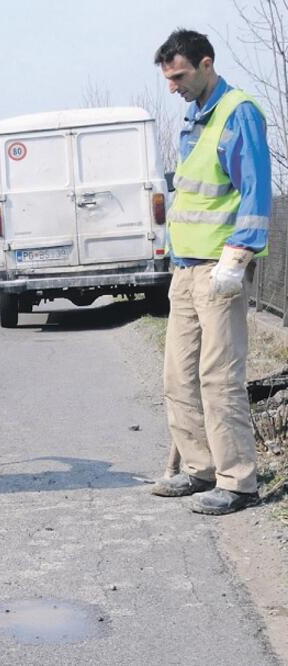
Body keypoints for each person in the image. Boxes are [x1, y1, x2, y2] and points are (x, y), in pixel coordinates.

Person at [150, 29, 271, 515]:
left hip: (218, 270)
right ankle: (198, 469)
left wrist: (237, 258)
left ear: (205, 63)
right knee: (178, 377)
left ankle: (239, 481)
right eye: (167, 78)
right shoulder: (193, 116)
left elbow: (255, 192)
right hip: (185, 270)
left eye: (178, 76)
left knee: (219, 377)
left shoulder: (237, 112)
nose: (172, 85)